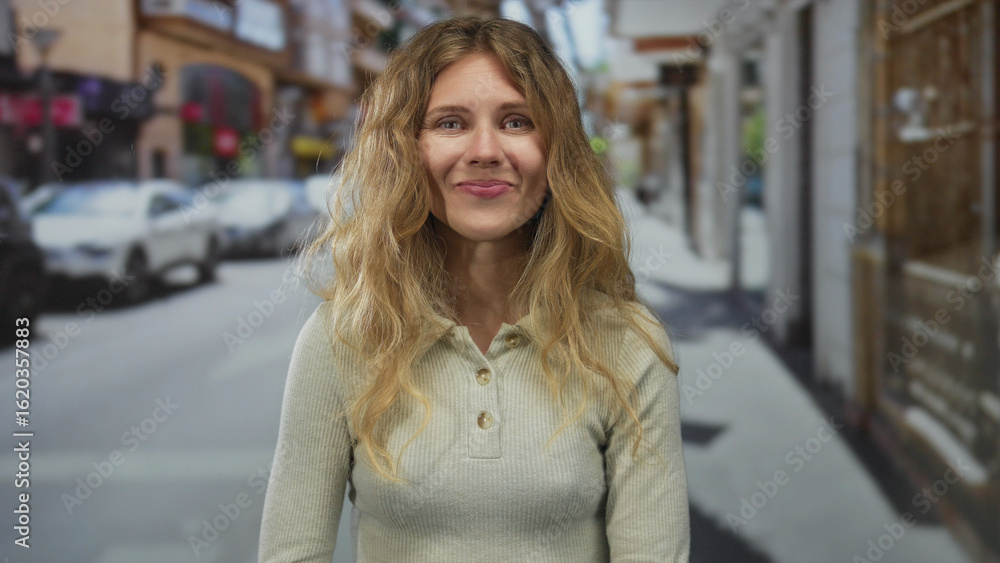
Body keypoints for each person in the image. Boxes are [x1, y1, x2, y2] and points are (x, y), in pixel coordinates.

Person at [258, 16, 690, 562]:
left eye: (516, 121)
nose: (485, 150)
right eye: (450, 123)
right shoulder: (341, 338)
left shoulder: (628, 342)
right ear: (407, 150)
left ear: (555, 151)